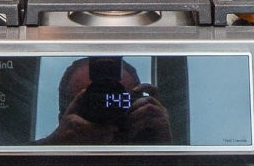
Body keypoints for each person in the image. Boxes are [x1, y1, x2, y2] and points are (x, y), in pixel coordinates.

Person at [38, 56, 173, 145]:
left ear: (141, 105)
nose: (105, 108)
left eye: (118, 100)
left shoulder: (152, 152)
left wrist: (163, 143)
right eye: (92, 102)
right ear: (63, 115)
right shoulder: (34, 157)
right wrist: (54, 146)